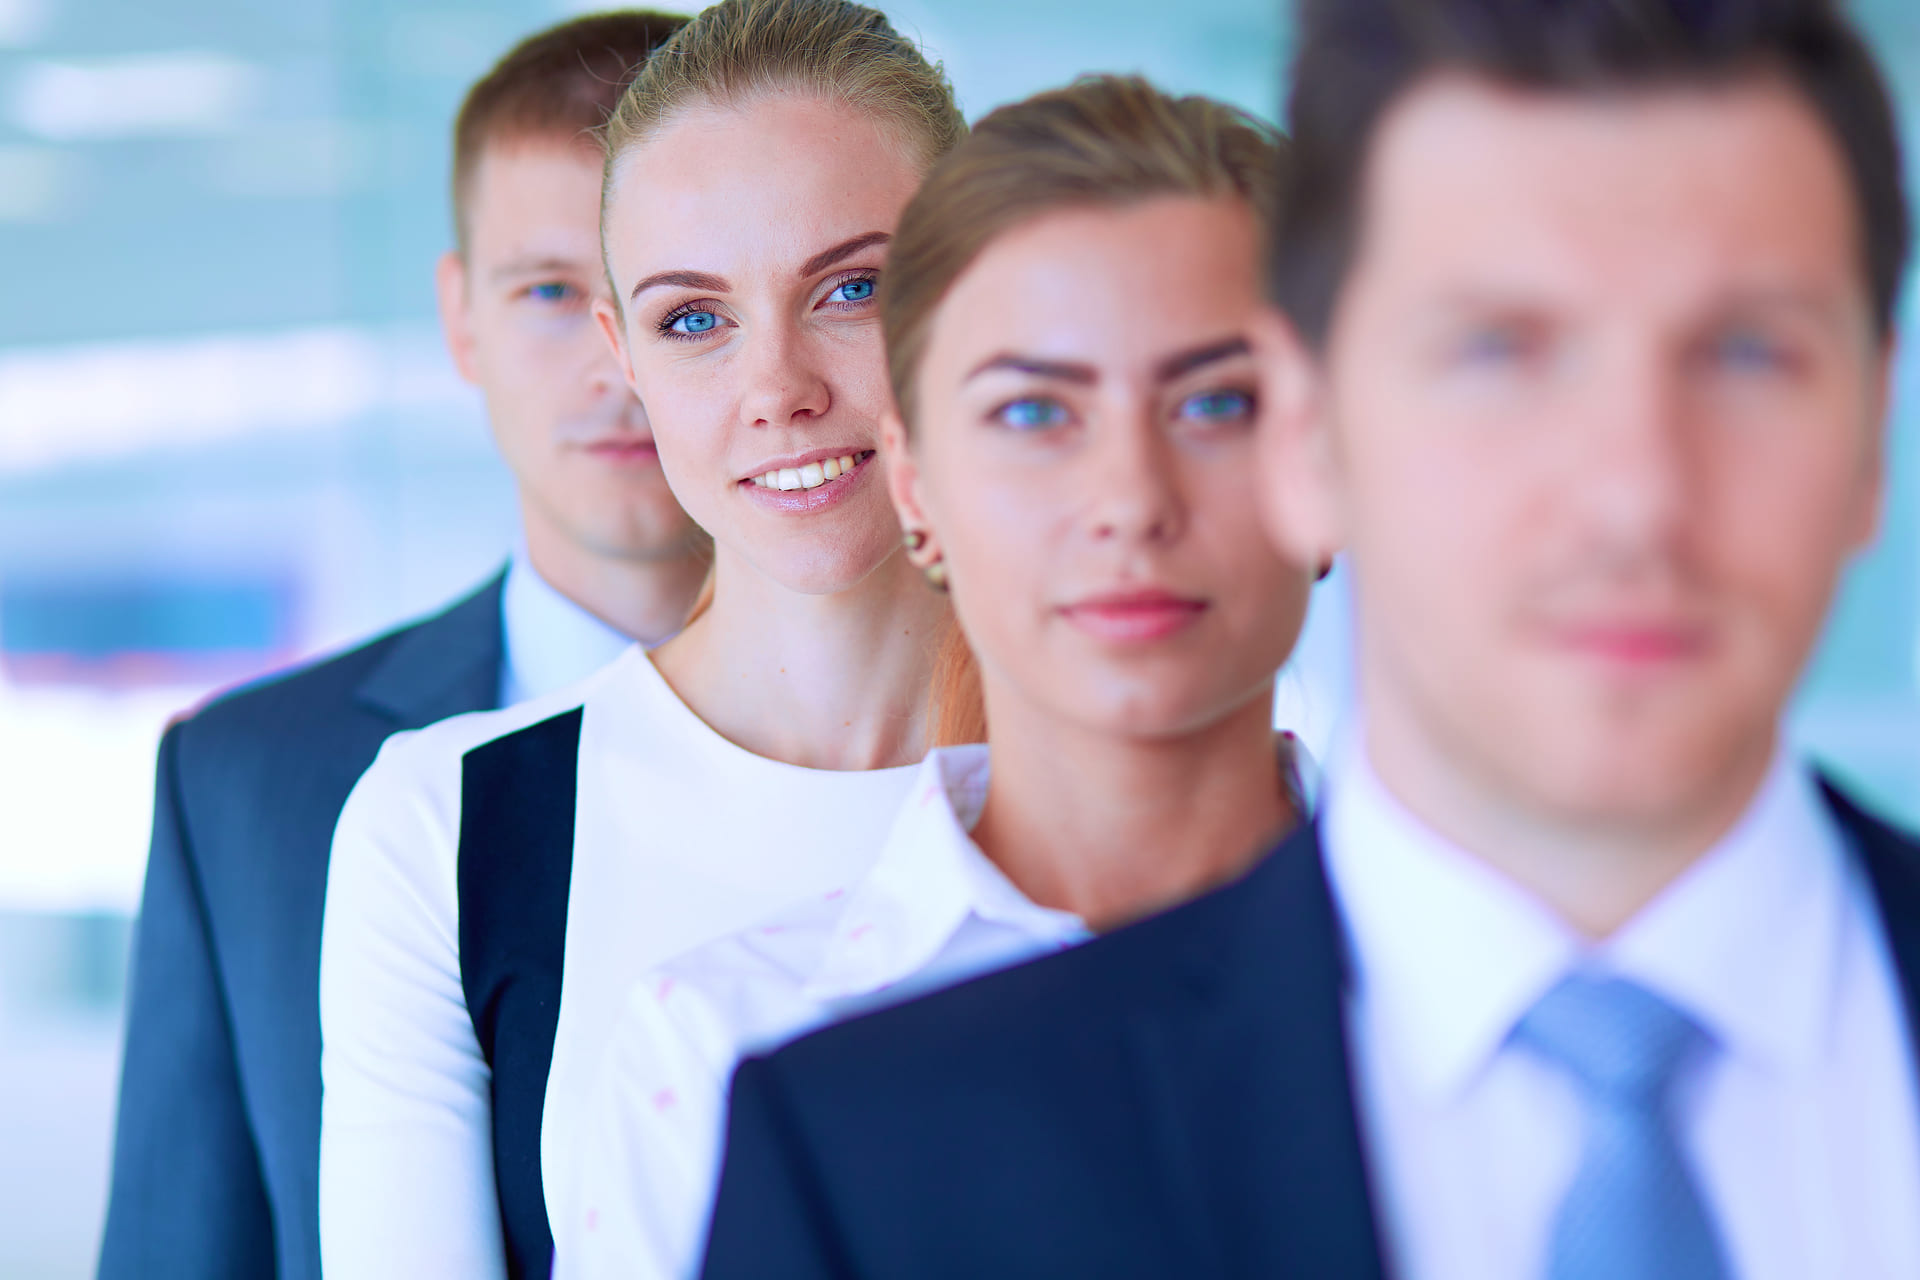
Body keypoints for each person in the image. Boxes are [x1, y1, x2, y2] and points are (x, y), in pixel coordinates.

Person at [695, 1, 1920, 1277]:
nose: (1631, 494)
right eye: (1498, 349)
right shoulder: (878, 1162)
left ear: (1874, 418)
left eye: (1744, 351)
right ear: (1313, 434)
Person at [552, 74, 1318, 1280]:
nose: (1128, 502)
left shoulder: (1538, 976)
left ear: (1331, 464)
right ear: (918, 486)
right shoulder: (730, 1047)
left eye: (1215, 402)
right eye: (1031, 414)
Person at [315, 3, 968, 1276]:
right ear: (627, 357)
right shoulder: (450, 829)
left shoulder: (1198, 792)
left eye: (852, 286)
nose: (777, 386)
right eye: (694, 319)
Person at [95, 14, 702, 1280]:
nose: (619, 366)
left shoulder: (975, 732)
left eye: (678, 300)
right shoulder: (246, 779)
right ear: (460, 319)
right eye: (550, 291)